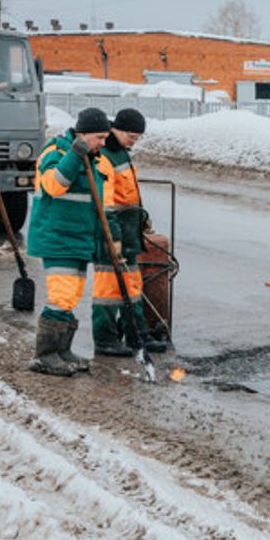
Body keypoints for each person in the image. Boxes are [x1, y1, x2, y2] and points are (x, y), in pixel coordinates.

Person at [26, 107, 118, 377]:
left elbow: (99, 204)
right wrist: (75, 155)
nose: (103, 143)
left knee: (72, 296)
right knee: (61, 296)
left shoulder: (96, 160)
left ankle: (62, 350)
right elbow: (54, 186)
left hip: (80, 238)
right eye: (99, 137)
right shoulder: (55, 153)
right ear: (83, 134)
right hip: (58, 236)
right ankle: (44, 356)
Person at [91, 108, 168, 355]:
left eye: (137, 138)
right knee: (108, 289)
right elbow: (106, 204)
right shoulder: (104, 157)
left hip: (128, 230)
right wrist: (113, 237)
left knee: (132, 284)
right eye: (132, 137)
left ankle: (137, 335)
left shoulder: (121, 153)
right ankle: (105, 339)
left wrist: (140, 217)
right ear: (118, 129)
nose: (133, 142)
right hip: (110, 233)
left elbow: (128, 194)